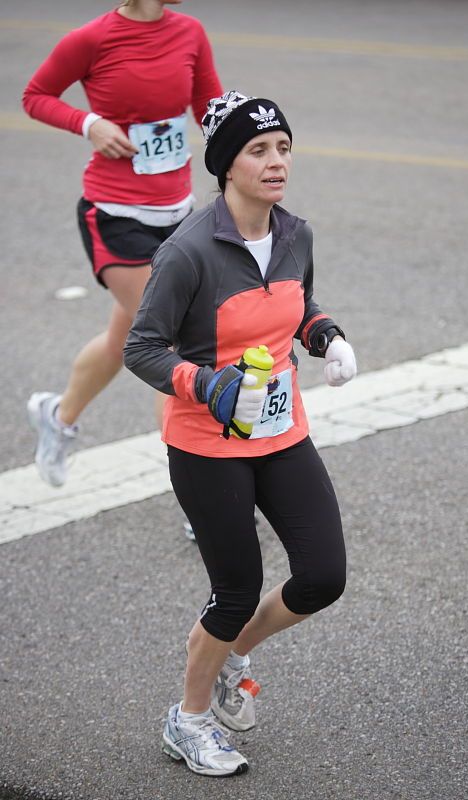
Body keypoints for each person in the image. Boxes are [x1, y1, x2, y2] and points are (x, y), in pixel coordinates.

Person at [124, 89, 358, 777]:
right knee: (234, 589)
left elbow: (295, 303)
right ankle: (188, 721)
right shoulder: (188, 252)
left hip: (281, 430)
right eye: (258, 150)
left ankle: (232, 656)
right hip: (206, 444)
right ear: (227, 164)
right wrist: (206, 384)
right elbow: (143, 347)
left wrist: (325, 335)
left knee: (322, 575)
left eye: (283, 147)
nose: (276, 161)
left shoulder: (295, 234)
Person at [22, 0, 223, 539]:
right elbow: (35, 96)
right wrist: (89, 123)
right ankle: (204, 498)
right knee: (176, 344)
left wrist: (240, 139)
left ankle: (58, 416)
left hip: (178, 213)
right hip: (114, 215)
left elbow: (209, 105)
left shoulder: (189, 31)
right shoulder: (90, 39)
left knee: (124, 338)